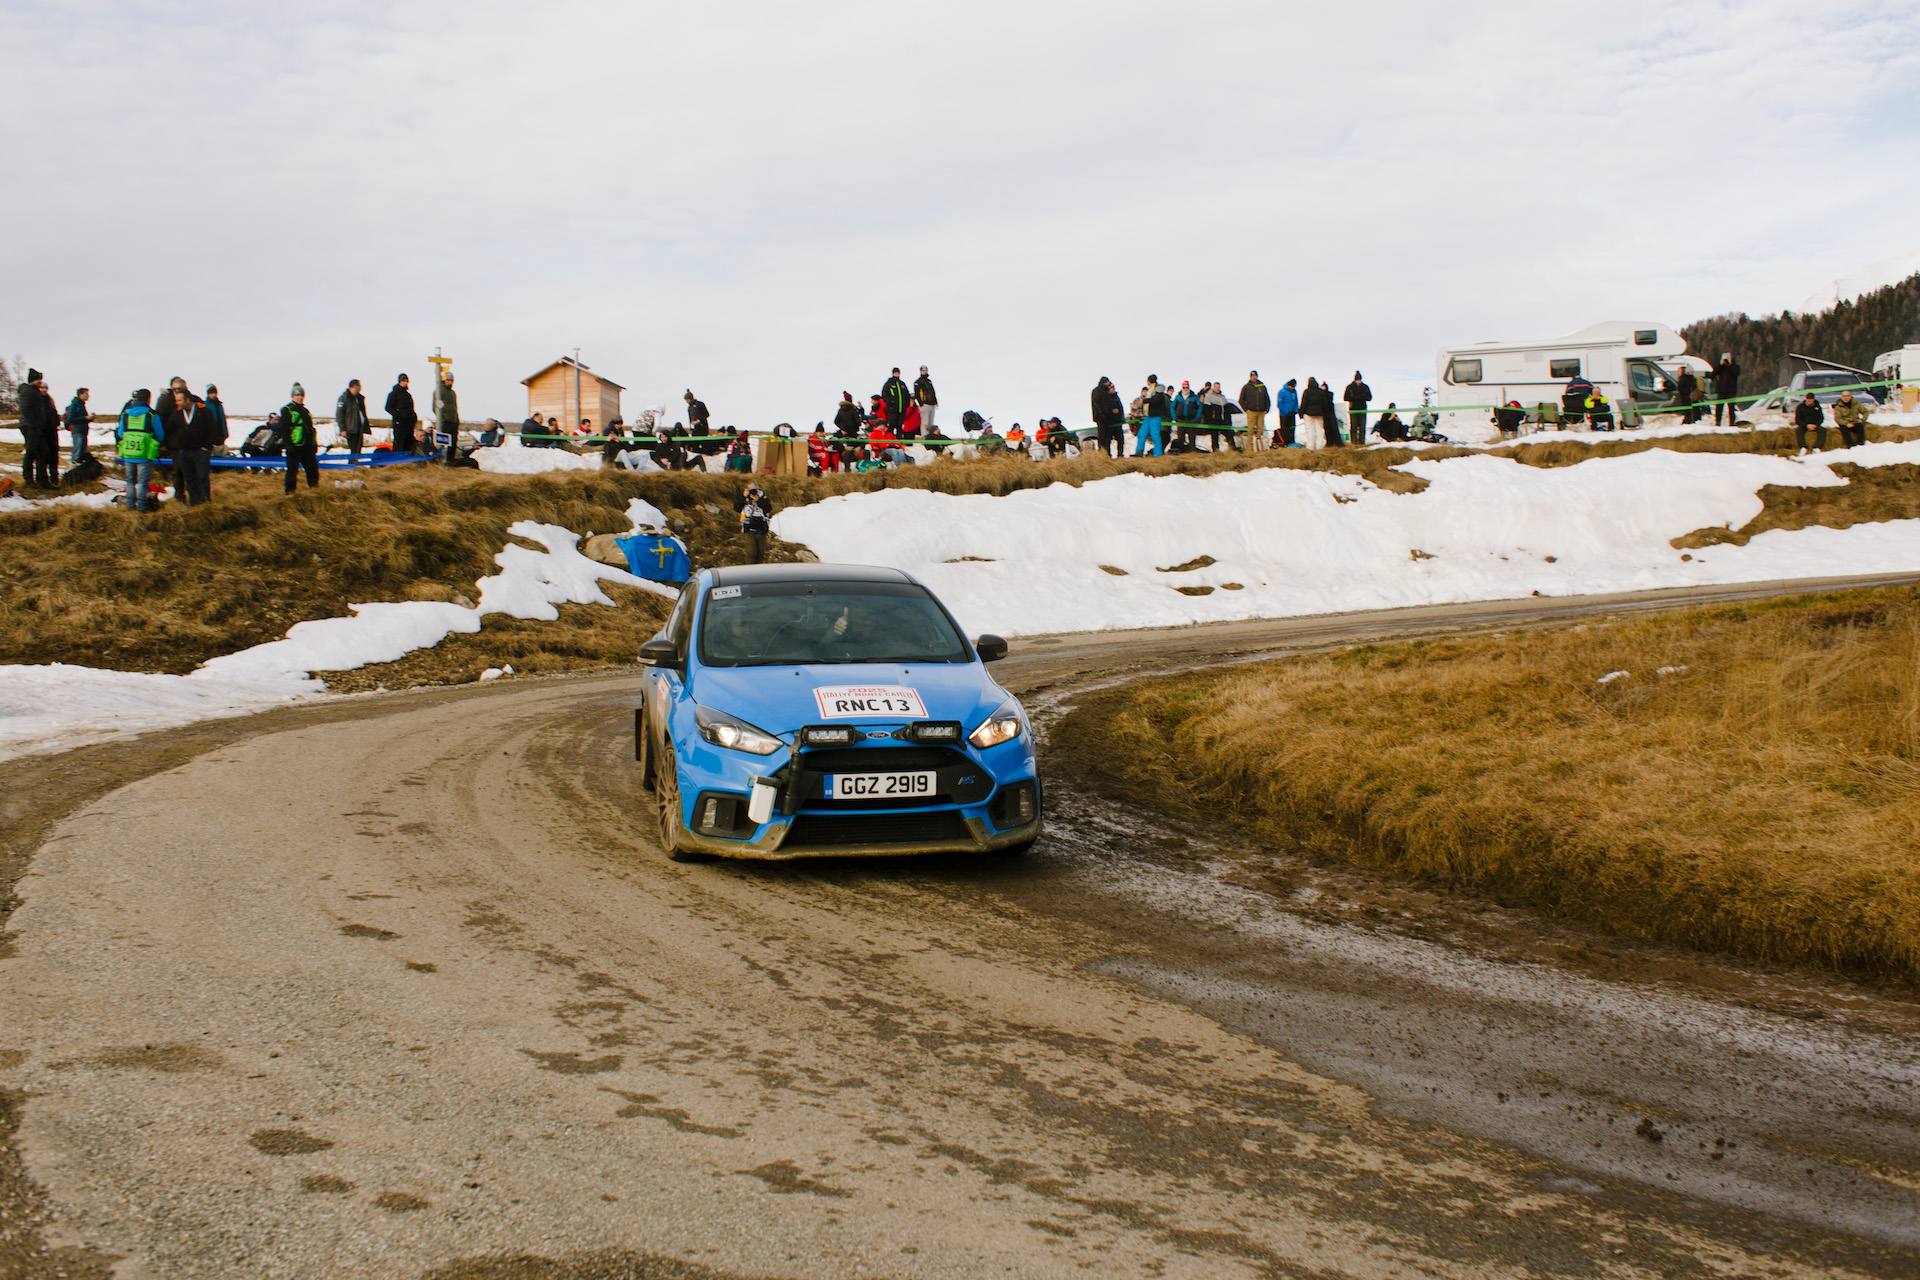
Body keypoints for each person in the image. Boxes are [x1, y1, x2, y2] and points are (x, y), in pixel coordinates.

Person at [115, 389, 166, 512]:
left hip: (128, 453)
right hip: (145, 454)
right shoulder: (151, 415)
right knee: (143, 482)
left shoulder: (125, 415)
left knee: (130, 481)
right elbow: (160, 435)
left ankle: (130, 507)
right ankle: (142, 508)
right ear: (149, 399)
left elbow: (120, 433)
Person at [167, 386, 216, 505]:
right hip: (184, 451)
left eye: (179, 400)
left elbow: (213, 429)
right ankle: (193, 503)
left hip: (201, 451)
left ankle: (205, 503)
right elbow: (169, 429)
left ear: (187, 400)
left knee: (202, 478)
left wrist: (206, 447)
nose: (176, 402)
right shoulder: (177, 414)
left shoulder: (203, 411)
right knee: (189, 479)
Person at [18, 368, 61, 489]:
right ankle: (29, 480)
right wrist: (35, 424)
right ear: (34, 380)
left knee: (43, 452)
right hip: (30, 427)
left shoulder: (33, 391)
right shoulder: (28, 391)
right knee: (32, 452)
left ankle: (42, 480)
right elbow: (26, 409)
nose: (40, 382)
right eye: (39, 380)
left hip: (34, 427)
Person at [281, 383, 320, 492]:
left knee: (313, 470)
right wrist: (288, 445)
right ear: (292, 396)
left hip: (307, 447)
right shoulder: (287, 410)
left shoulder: (306, 412)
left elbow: (311, 429)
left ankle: (314, 491)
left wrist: (313, 445)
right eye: (297, 395)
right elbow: (284, 430)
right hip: (294, 447)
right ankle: (290, 493)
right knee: (292, 472)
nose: (300, 397)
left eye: (301, 395)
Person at [737, 484, 773, 564]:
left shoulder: (763, 498)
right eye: (751, 490)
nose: (753, 492)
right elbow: (737, 508)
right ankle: (750, 571)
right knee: (751, 553)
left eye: (755, 490)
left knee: (761, 553)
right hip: (749, 528)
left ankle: (759, 572)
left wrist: (758, 500)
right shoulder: (744, 499)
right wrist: (744, 497)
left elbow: (768, 508)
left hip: (761, 528)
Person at [1090, 376, 1125, 458]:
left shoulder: (1113, 396)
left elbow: (1119, 407)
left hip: (1111, 419)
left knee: (1115, 437)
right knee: (1104, 437)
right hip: (1102, 418)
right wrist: (1103, 414)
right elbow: (1097, 404)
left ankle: (1117, 454)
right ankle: (1104, 455)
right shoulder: (1098, 391)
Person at [1133, 377, 1169, 457]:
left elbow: (1156, 400)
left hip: (1155, 416)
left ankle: (1158, 454)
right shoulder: (1151, 390)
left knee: (1155, 436)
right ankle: (1139, 453)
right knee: (1141, 434)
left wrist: (1145, 401)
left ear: (1149, 381)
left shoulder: (1158, 390)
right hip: (1148, 416)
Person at [336, 379, 370, 461]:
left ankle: (356, 466)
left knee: (358, 449)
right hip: (350, 430)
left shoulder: (359, 399)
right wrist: (342, 429)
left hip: (359, 429)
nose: (360, 388)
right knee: (354, 450)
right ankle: (351, 467)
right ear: (355, 386)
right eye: (359, 386)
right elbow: (339, 415)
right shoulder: (344, 398)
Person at [385, 373, 417, 453]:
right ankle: (398, 462)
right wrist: (398, 415)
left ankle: (408, 461)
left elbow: (411, 408)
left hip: (409, 424)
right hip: (399, 424)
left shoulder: (408, 395)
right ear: (399, 382)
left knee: (409, 443)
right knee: (400, 443)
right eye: (403, 381)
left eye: (406, 381)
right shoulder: (394, 394)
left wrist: (414, 417)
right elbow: (388, 407)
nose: (405, 382)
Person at [432, 372, 460, 461]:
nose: (450, 382)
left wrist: (457, 419)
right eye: (448, 380)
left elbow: (455, 407)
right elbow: (435, 407)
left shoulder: (452, 393)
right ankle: (441, 460)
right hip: (445, 421)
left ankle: (451, 461)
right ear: (444, 380)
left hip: (453, 421)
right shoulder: (439, 391)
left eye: (452, 380)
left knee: (453, 443)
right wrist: (442, 419)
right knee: (443, 442)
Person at [1239, 372, 1270, 451]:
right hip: (1251, 412)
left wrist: (1266, 410)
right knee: (1251, 431)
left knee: (1260, 430)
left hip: (1261, 412)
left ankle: (1259, 448)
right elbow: (1241, 400)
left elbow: (1267, 399)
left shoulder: (1262, 386)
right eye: (1252, 376)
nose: (1254, 377)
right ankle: (1249, 449)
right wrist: (1247, 410)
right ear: (1250, 377)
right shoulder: (1246, 387)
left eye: (1255, 376)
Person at [1343, 372, 1372, 446]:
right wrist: (1359, 397)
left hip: (1362, 409)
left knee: (1362, 426)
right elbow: (1345, 398)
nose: (1359, 381)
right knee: (1353, 426)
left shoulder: (1365, 387)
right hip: (1353, 409)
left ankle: (1361, 442)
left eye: (1360, 380)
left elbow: (1369, 398)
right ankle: (1354, 442)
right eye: (1357, 380)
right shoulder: (1349, 387)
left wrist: (1357, 397)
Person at [64, 386, 91, 464]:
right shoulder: (75, 405)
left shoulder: (81, 405)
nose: (88, 396)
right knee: (76, 455)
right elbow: (71, 419)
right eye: (86, 394)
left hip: (82, 432)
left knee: (81, 454)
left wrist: (89, 419)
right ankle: (72, 472)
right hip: (78, 432)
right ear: (80, 394)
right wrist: (85, 418)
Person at [1713, 353, 1741, 427]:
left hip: (1731, 391)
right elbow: (1714, 373)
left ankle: (1731, 423)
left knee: (1731, 409)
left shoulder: (1735, 367)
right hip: (1721, 391)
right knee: (1719, 408)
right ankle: (1717, 422)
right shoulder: (1721, 368)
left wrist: (1729, 365)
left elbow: (1736, 373)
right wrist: (1721, 365)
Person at [881, 367, 911, 432]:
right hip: (892, 410)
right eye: (895, 373)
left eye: (898, 373)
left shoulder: (902, 384)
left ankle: (899, 441)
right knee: (891, 426)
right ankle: (890, 441)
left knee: (899, 427)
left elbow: (907, 395)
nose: (897, 374)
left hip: (901, 410)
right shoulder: (889, 384)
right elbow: (884, 395)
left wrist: (906, 405)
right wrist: (890, 403)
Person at [203, 384, 229, 454]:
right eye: (211, 393)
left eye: (215, 393)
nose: (213, 395)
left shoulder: (219, 405)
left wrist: (225, 433)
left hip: (221, 435)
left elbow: (223, 420)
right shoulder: (205, 405)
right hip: (211, 436)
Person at [1274, 378, 1299, 447]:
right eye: (1292, 386)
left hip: (1292, 414)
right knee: (1284, 430)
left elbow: (1296, 402)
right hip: (1284, 415)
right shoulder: (1282, 392)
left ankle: (1291, 443)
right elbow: (1279, 404)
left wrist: (1296, 411)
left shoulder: (1294, 392)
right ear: (1289, 385)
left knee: (1292, 429)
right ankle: (1284, 443)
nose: (1293, 388)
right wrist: (1287, 412)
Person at [913, 365, 938, 433]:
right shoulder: (918, 382)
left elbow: (932, 392)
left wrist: (935, 401)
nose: (925, 371)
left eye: (926, 370)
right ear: (921, 371)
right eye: (923, 370)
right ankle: (924, 436)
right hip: (925, 404)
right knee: (925, 422)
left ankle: (930, 436)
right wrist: (921, 403)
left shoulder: (929, 381)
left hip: (931, 404)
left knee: (931, 422)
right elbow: (917, 393)